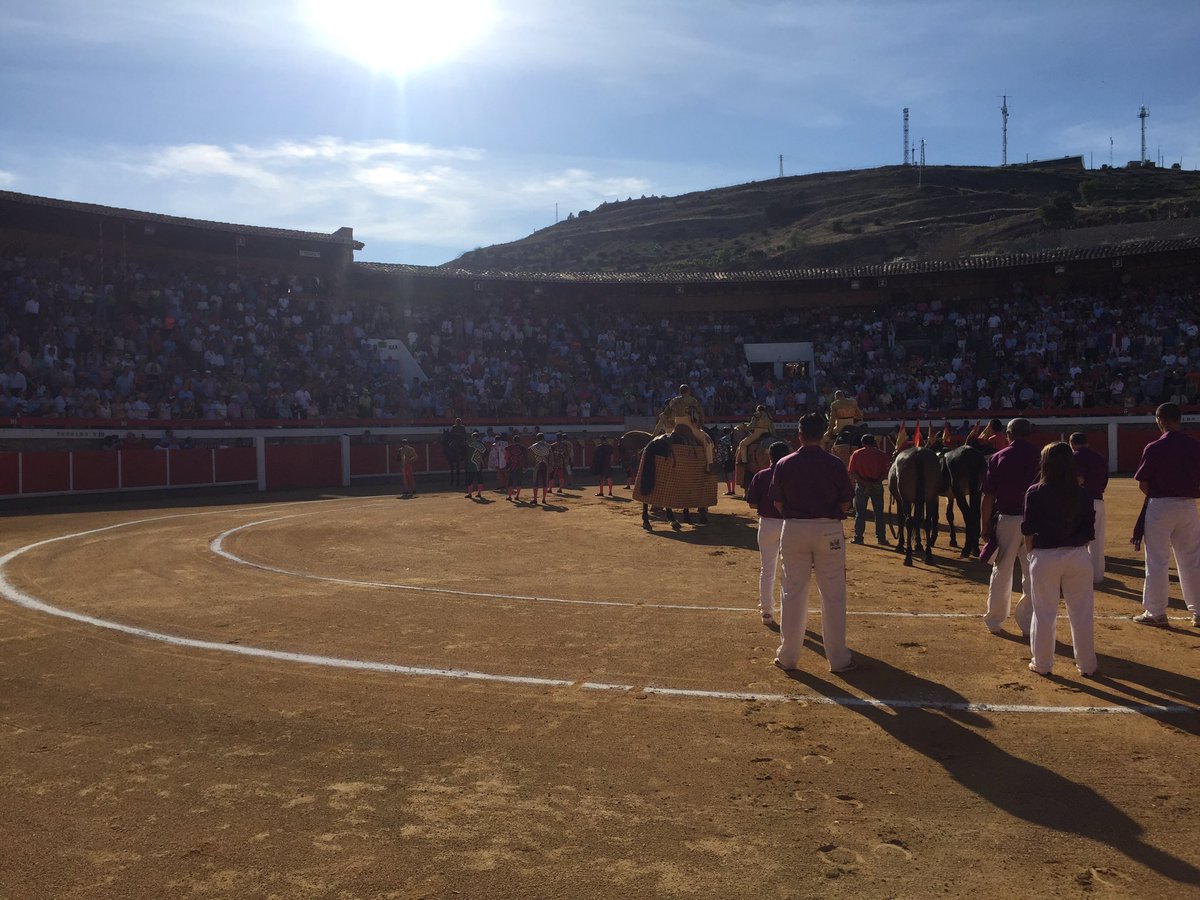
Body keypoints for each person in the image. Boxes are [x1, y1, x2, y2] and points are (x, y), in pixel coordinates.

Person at [769, 413, 856, 674]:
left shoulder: (784, 463)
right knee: (834, 594)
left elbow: (777, 502)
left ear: (799, 435)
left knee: (792, 592)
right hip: (828, 530)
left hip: (794, 529)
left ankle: (788, 657)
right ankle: (839, 659)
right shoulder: (834, 463)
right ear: (822, 435)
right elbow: (846, 503)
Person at [1022, 442, 1098, 676]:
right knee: (1082, 613)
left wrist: (1032, 554)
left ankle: (1042, 664)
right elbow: (1088, 531)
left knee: (1044, 612)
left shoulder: (1035, 491)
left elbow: (1028, 530)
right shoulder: (1083, 492)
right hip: (1077, 555)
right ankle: (1087, 665)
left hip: (1045, 555)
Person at [1131, 402, 1200, 628]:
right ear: (1179, 419)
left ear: (1159, 421)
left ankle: (1156, 612)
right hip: (1188, 506)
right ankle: (1199, 611)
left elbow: (1144, 483)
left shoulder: (1155, 447)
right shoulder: (1193, 445)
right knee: (1191, 559)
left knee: (1157, 560)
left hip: (1160, 506)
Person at [981, 417, 1040, 636]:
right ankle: (1029, 623)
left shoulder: (998, 457)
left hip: (1007, 519)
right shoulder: (1041, 456)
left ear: (1008, 434)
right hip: (1036, 521)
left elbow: (988, 496)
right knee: (1033, 570)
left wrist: (985, 525)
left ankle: (995, 620)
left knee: (1002, 569)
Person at [747, 441, 790, 626]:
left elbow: (752, 504)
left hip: (767, 523)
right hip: (789, 524)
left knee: (767, 569)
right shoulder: (792, 475)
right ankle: (790, 612)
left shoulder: (760, 475)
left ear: (769, 456)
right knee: (790, 570)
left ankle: (766, 611)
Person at [1070, 432, 1109, 583]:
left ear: (1072, 443)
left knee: (1076, 540)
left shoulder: (1074, 457)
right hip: (1098, 500)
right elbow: (1105, 480)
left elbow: (1077, 480)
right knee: (1097, 540)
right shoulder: (1099, 457)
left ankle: (1078, 575)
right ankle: (1097, 576)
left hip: (1080, 501)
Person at [654, 384, 714, 467]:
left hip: (677, 426)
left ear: (680, 391)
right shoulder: (692, 400)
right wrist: (700, 424)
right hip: (689, 425)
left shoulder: (673, 401)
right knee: (707, 441)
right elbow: (700, 414)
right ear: (689, 391)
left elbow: (667, 414)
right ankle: (709, 465)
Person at [848, 433, 889, 545]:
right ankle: (881, 538)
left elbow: (852, 472)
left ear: (862, 443)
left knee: (860, 513)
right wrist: (874, 483)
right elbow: (885, 472)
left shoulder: (856, 453)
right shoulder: (881, 454)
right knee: (879, 513)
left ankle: (858, 538)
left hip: (862, 486)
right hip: (877, 485)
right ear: (874, 442)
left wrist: (866, 484)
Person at [528, 432, 553, 504]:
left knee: (535, 482)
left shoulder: (534, 446)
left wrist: (532, 463)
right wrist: (551, 465)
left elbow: (531, 456)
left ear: (537, 438)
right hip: (545, 464)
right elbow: (551, 457)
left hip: (537, 465)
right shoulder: (548, 446)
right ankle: (544, 499)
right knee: (545, 482)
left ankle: (535, 499)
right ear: (543, 438)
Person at [464, 431, 485, 499]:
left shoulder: (470, 444)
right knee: (479, 479)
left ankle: (470, 493)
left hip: (471, 464)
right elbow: (484, 453)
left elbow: (466, 454)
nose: (472, 438)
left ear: (475, 437)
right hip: (477, 463)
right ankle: (479, 493)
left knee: (470, 479)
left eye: (472, 437)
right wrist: (482, 461)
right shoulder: (480, 445)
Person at [505, 434, 527, 502]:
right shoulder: (523, 448)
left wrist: (507, 465)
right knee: (519, 481)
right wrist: (525, 466)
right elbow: (526, 458)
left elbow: (506, 457)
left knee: (510, 481)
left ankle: (509, 496)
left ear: (513, 440)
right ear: (519, 441)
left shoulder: (508, 448)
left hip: (511, 466)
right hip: (519, 466)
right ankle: (517, 496)